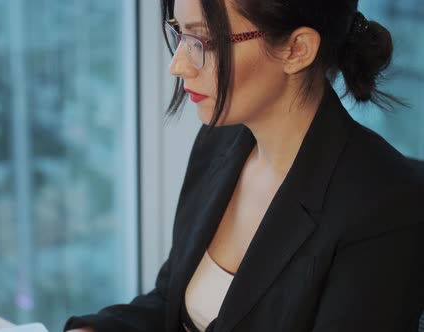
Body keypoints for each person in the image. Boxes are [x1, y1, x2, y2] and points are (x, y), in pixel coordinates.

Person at [65, 0, 424, 331]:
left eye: (203, 41)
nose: (178, 64)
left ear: (296, 49)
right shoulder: (219, 142)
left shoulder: (386, 207)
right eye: (180, 33)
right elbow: (172, 299)